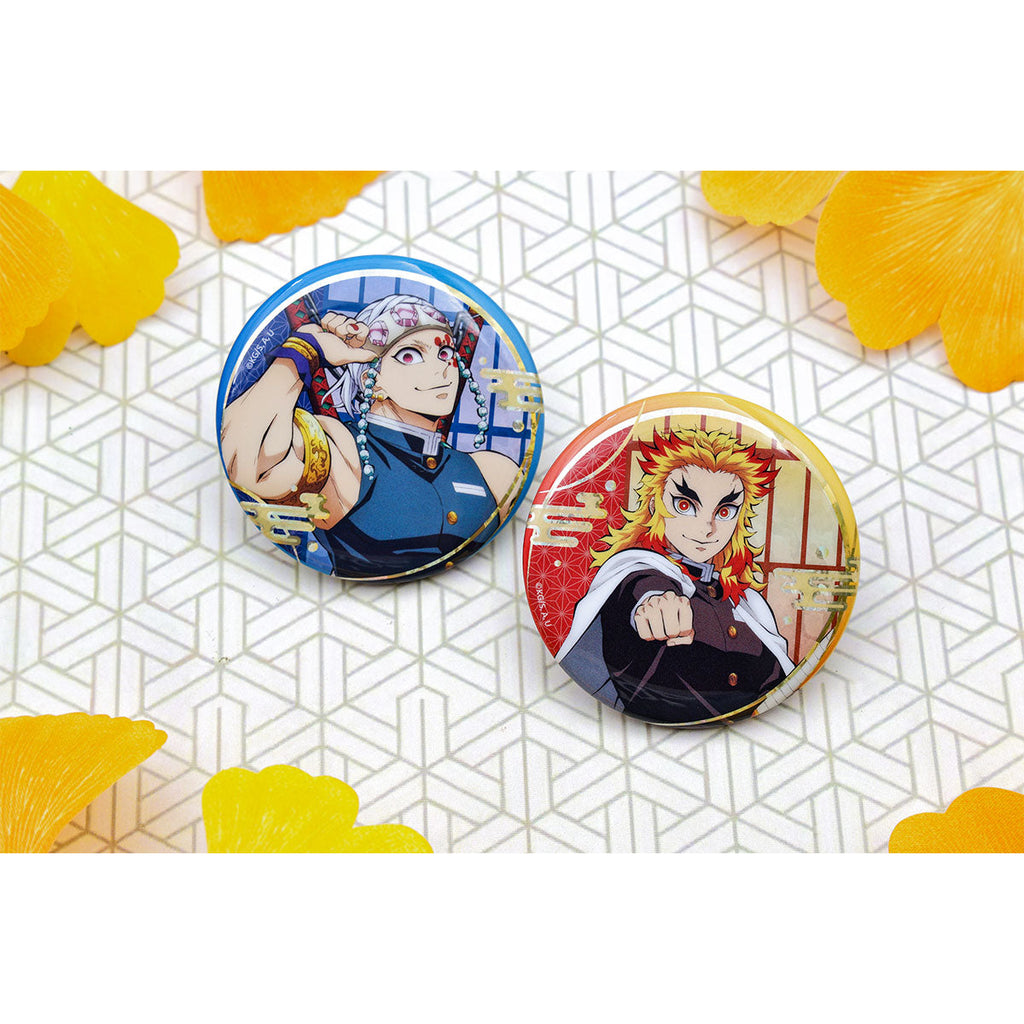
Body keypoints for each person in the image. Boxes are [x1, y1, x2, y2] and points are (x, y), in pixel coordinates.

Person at [220, 293, 521, 577]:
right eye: (409, 355)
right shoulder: (342, 451)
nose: (441, 368)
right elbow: (244, 463)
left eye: (445, 353)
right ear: (371, 380)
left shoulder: (493, 471)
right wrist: (305, 349)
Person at [557, 426, 794, 723]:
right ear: (655, 503)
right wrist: (655, 604)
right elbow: (641, 590)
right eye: (685, 505)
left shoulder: (748, 605)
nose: (707, 528)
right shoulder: (636, 572)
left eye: (724, 512)